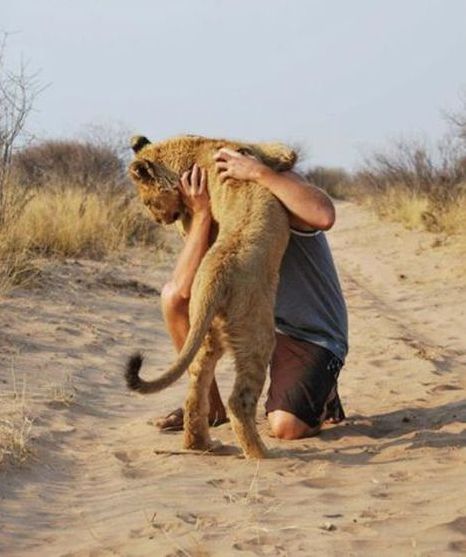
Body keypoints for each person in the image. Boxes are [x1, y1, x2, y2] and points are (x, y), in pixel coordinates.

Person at [157, 148, 348, 440]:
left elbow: (324, 215)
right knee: (172, 300)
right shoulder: (204, 203)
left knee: (285, 427)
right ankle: (211, 409)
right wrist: (202, 214)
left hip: (308, 333)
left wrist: (260, 172)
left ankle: (323, 395)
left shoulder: (271, 182)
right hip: (256, 324)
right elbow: (181, 292)